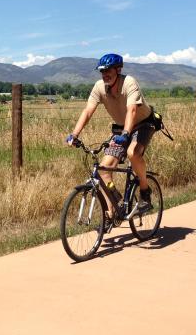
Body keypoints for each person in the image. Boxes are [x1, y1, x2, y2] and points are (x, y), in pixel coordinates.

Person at [65, 53, 156, 217]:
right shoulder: (99, 87)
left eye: (108, 71)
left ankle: (145, 191)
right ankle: (112, 210)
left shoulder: (129, 82)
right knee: (103, 170)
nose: (105, 75)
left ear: (118, 69)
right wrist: (74, 134)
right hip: (122, 128)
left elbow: (132, 110)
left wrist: (127, 134)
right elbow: (88, 111)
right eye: (102, 72)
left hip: (143, 124)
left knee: (132, 153)